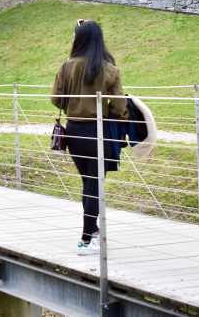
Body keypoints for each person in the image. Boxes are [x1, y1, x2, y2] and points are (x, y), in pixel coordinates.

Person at [51, 19, 128, 255]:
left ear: (79, 39)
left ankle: (93, 231)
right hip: (99, 132)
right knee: (95, 184)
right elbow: (119, 105)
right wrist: (119, 115)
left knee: (88, 183)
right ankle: (86, 239)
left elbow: (56, 99)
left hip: (74, 131)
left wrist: (72, 107)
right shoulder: (109, 69)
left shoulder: (66, 67)